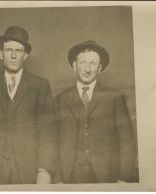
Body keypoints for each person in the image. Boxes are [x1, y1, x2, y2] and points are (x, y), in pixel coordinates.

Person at [0, 26, 57, 185]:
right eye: (9, 50)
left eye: (19, 50)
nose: (14, 55)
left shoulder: (40, 86)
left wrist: (44, 171)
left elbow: (48, 133)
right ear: (0, 54)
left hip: (28, 171)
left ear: (26, 55)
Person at [55, 40, 137, 183]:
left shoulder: (114, 97)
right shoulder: (60, 99)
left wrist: (124, 177)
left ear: (99, 68)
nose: (87, 69)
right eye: (83, 63)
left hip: (107, 174)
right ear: (75, 66)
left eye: (92, 64)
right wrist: (57, 178)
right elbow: (53, 140)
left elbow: (127, 140)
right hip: (70, 174)